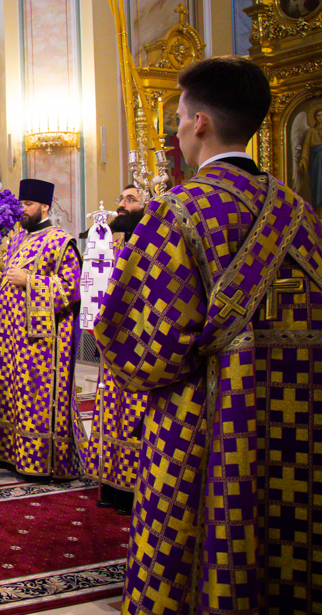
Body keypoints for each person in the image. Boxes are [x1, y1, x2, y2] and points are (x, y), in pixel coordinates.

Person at [95, 56, 322, 614]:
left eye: (177, 119)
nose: (175, 132)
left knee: (191, 554)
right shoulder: (302, 213)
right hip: (294, 420)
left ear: (199, 123)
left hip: (201, 425)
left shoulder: (177, 212)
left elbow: (140, 349)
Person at [0, 178, 82, 479]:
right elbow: (10, 280)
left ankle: (39, 462)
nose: (22, 210)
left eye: (27, 205)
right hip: (7, 336)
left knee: (33, 398)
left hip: (40, 343)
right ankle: (8, 456)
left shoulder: (61, 241)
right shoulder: (17, 239)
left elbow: (72, 289)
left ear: (44, 206)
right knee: (7, 393)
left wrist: (30, 281)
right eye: (21, 204)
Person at [76, 184, 148, 516]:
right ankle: (111, 482)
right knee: (112, 414)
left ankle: (133, 490)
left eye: (131, 200)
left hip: (141, 349)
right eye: (120, 198)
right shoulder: (112, 244)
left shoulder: (153, 247)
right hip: (113, 346)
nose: (121, 205)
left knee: (133, 416)